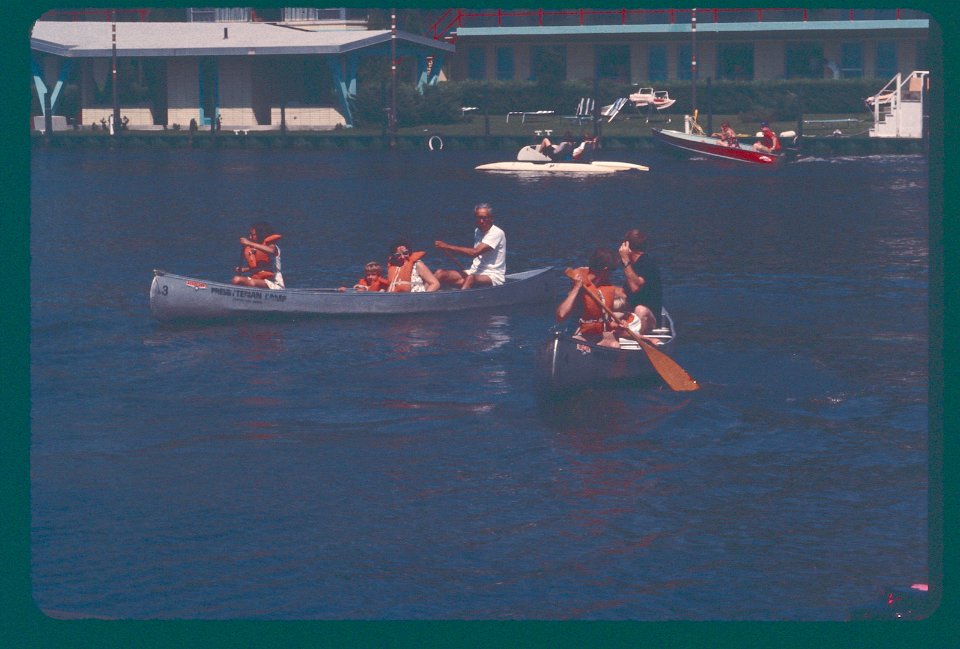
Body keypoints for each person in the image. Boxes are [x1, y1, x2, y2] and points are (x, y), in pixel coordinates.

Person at [556, 248, 627, 349]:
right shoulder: (580, 286)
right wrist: (576, 288)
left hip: (599, 334)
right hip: (580, 333)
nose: (613, 274)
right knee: (581, 347)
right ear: (605, 270)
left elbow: (607, 321)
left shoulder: (604, 287)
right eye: (613, 270)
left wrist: (618, 325)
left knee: (614, 345)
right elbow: (560, 316)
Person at [434, 203, 506, 290]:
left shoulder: (497, 233)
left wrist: (447, 246)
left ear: (491, 218)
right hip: (474, 272)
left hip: (493, 276)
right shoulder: (478, 231)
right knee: (440, 273)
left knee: (470, 278)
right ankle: (422, 296)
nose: (481, 221)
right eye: (479, 218)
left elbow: (474, 252)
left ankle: (459, 301)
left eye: (484, 218)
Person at [618, 228, 663, 334]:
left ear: (627, 247)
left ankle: (637, 338)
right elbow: (625, 291)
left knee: (640, 310)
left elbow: (635, 287)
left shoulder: (647, 263)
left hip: (649, 318)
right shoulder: (634, 266)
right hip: (632, 315)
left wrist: (625, 260)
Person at [232, 221, 284, 289]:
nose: (250, 237)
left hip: (274, 284)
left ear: (261, 234)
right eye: (249, 234)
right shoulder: (256, 248)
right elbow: (263, 267)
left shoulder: (272, 246)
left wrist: (248, 243)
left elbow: (271, 251)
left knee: (237, 280)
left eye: (253, 234)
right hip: (260, 281)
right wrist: (245, 269)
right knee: (239, 282)